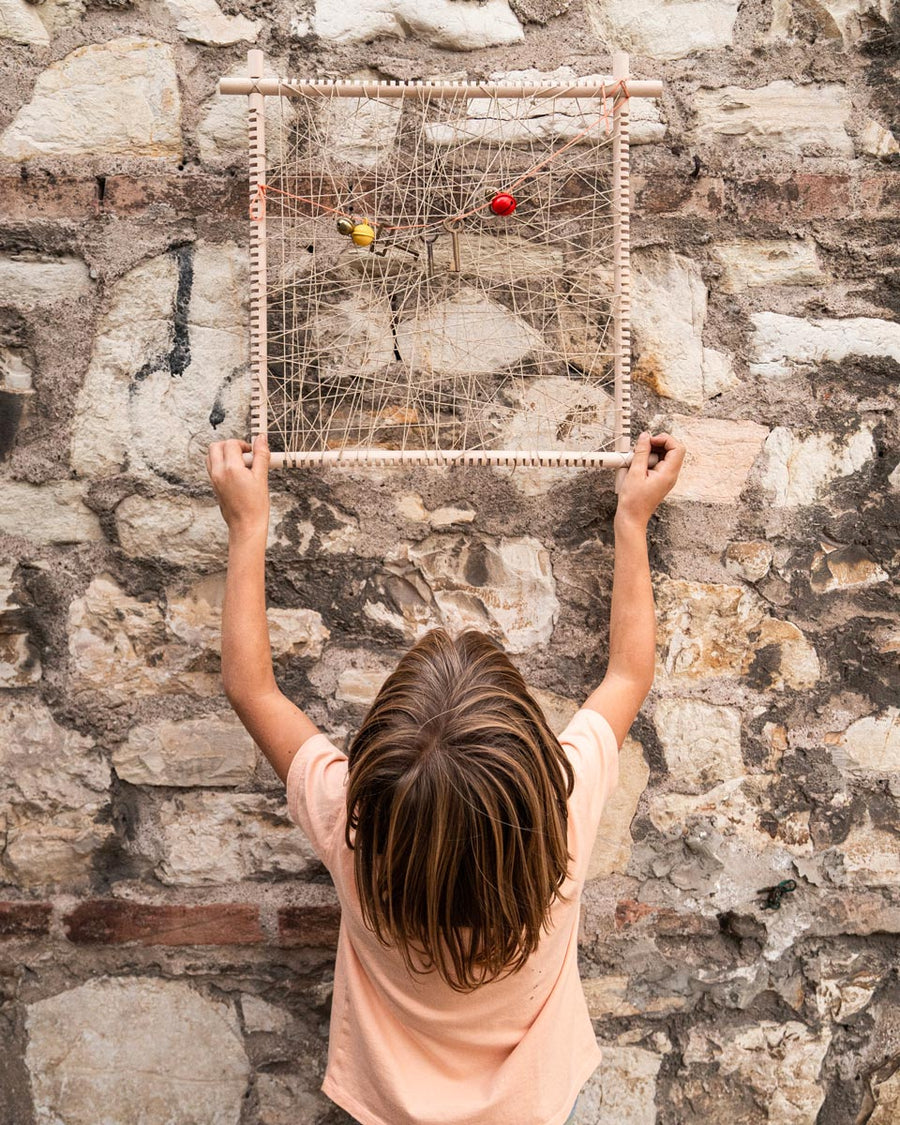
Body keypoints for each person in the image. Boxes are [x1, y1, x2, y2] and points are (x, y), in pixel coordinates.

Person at [206, 430, 686, 1125]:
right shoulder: (566, 808)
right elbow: (628, 673)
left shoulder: (355, 829)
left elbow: (252, 689)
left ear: (371, 762)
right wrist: (632, 519)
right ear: (532, 761)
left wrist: (248, 523)